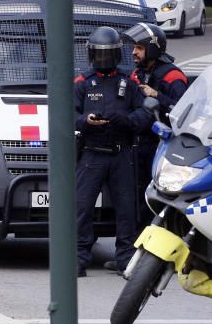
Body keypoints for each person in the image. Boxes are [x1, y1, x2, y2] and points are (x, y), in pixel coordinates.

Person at [74, 26, 152, 277]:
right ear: (91, 54)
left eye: (108, 55)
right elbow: (67, 114)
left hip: (121, 154)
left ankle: (125, 259)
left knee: (127, 209)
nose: (103, 59)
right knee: (81, 207)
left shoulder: (128, 82)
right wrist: (86, 121)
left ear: (117, 55)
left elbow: (145, 112)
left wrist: (127, 121)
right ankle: (78, 257)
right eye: (99, 54)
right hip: (92, 153)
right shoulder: (82, 83)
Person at [121, 22, 188, 233]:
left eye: (139, 48)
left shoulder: (173, 77)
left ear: (152, 48)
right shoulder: (137, 74)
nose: (134, 52)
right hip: (135, 145)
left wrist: (157, 95)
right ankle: (132, 252)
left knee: (154, 201)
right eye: (134, 48)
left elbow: (185, 112)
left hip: (162, 148)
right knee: (133, 199)